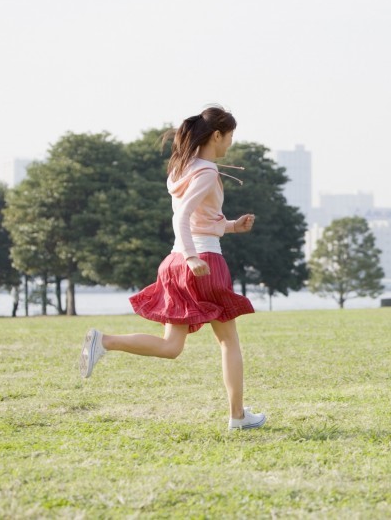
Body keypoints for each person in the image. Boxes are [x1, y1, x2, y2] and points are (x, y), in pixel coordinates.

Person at [78, 105, 266, 431]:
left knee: (171, 347)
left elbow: (198, 220)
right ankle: (238, 416)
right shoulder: (207, 172)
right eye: (229, 136)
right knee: (229, 342)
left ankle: (103, 341)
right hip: (202, 262)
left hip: (174, 263)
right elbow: (183, 217)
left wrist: (232, 226)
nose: (230, 143)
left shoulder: (181, 170)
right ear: (217, 135)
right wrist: (193, 257)